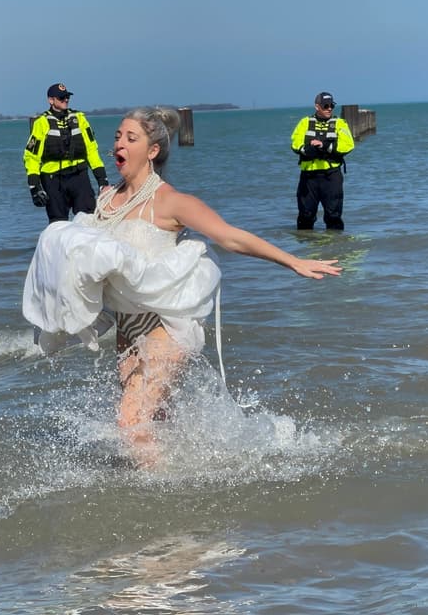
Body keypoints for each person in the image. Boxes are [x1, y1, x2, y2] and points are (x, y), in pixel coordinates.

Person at [23, 106, 341, 467]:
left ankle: (158, 505)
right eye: (116, 137)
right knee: (155, 421)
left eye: (131, 138)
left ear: (153, 150)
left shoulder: (171, 202)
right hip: (128, 326)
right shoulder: (106, 201)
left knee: (130, 422)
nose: (118, 145)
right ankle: (185, 484)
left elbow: (230, 237)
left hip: (167, 324)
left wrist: (294, 261)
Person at [23, 82, 110, 222]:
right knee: (58, 222)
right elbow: (31, 157)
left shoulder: (80, 119)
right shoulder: (41, 123)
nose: (66, 100)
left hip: (79, 176)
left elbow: (92, 150)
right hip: (53, 180)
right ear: (51, 100)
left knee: (88, 218)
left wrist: (102, 180)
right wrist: (35, 187)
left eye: (67, 97)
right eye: (61, 98)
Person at [290, 91, 354, 230]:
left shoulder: (339, 123)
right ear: (317, 106)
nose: (329, 108)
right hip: (309, 177)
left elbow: (348, 145)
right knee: (305, 216)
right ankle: (304, 247)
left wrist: (324, 145)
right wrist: (308, 149)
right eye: (326, 105)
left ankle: (335, 248)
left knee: (333, 215)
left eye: (332, 105)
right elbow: (295, 143)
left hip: (331, 176)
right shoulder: (304, 122)